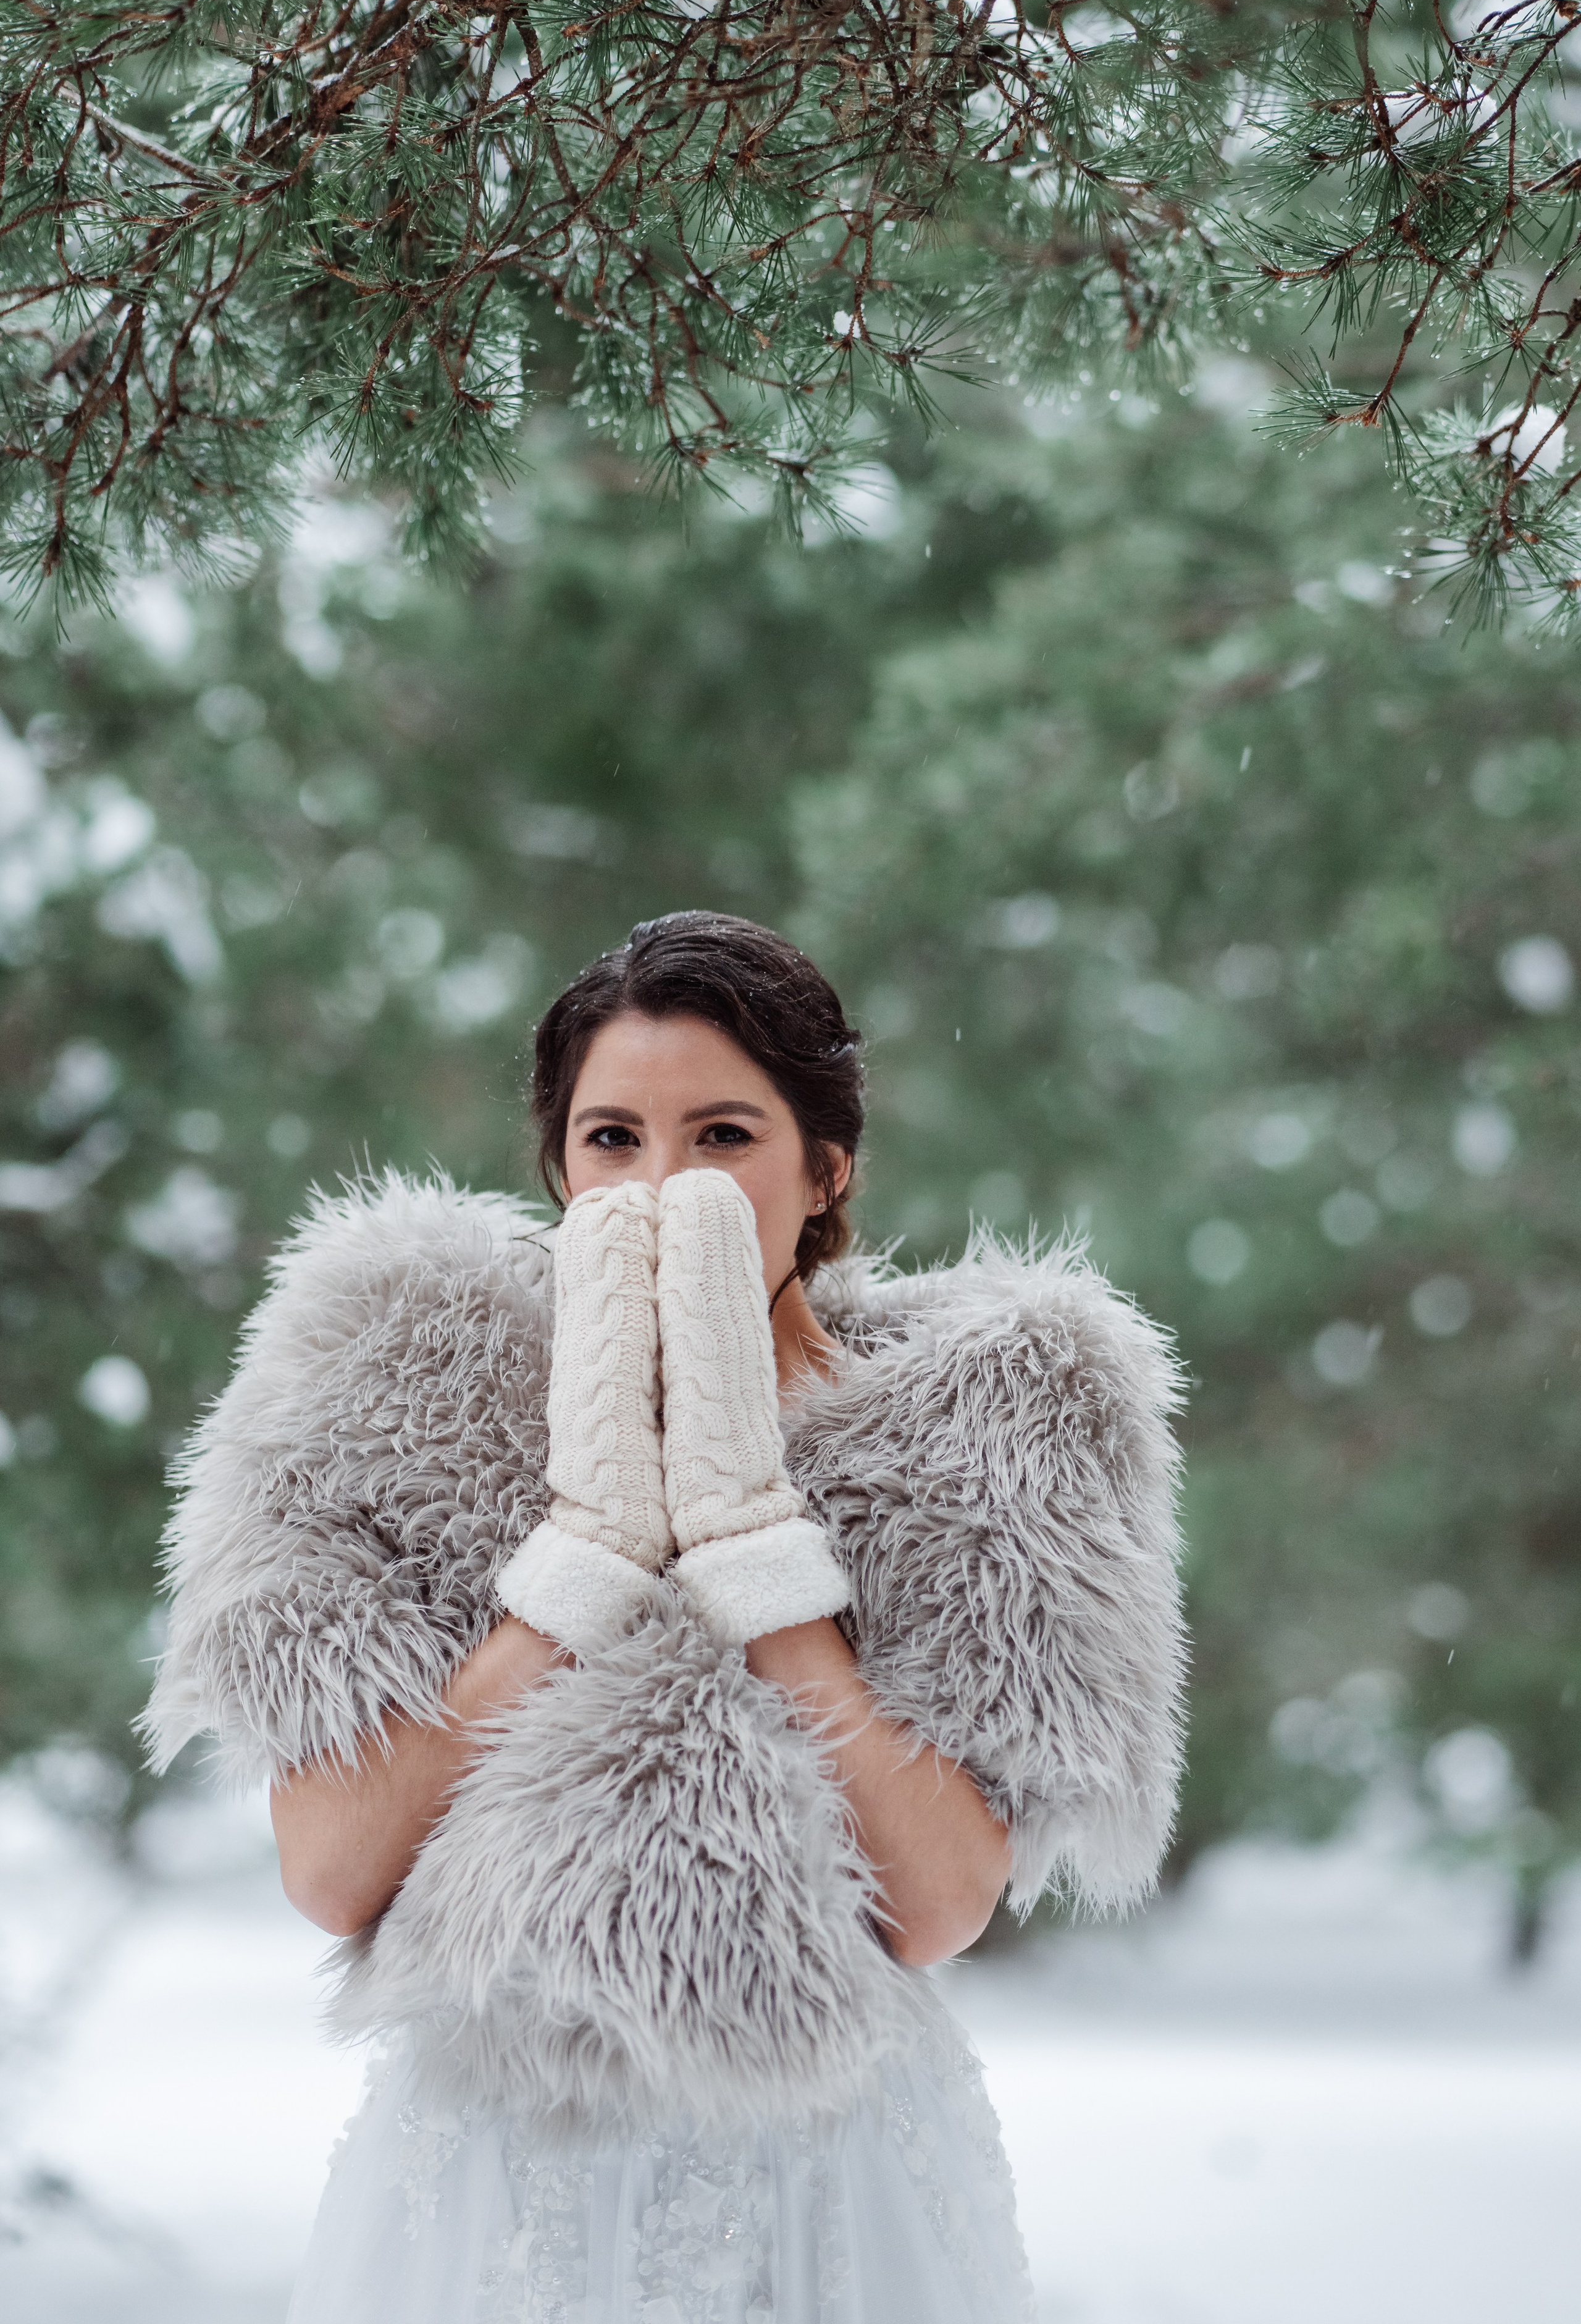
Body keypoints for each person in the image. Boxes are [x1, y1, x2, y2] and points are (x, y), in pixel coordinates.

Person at [143, 910, 1186, 2324]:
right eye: (614, 1141)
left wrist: (757, 1554)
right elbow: (333, 1873)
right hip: (501, 2165)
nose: (663, 1186)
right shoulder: (405, 1399)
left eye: (723, 1138)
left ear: (825, 1168)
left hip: (825, 2162)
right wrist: (580, 1558)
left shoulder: (982, 1430)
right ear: (558, 1166)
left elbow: (938, 1904)